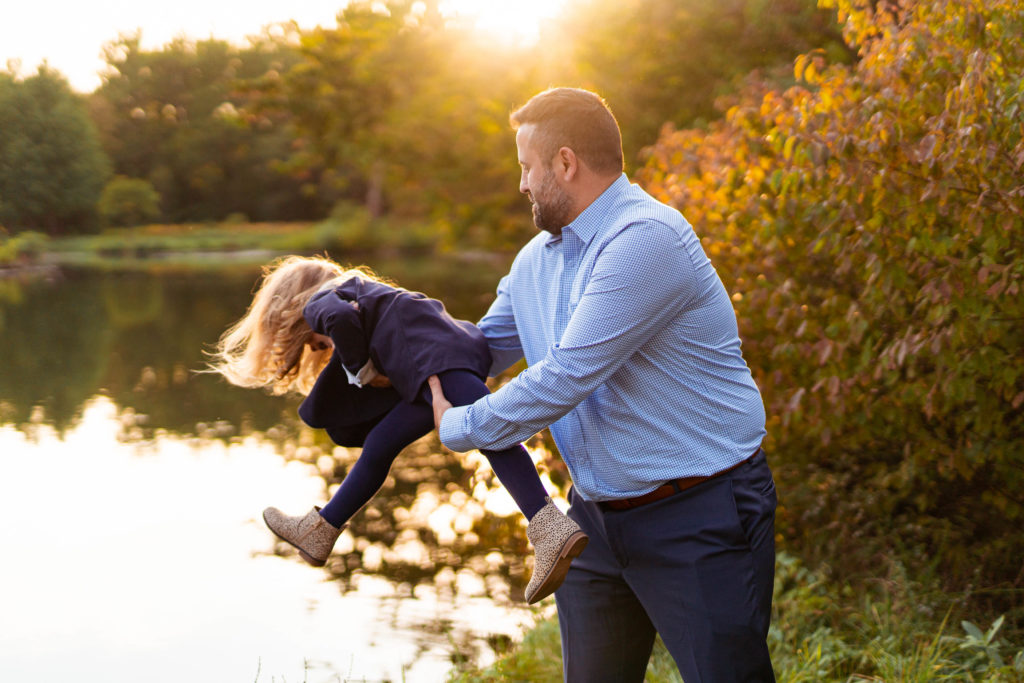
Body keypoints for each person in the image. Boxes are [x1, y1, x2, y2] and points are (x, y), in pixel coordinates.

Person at [428, 87, 777, 681]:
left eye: (525, 168)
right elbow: (477, 350)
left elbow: (566, 376)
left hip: (698, 514)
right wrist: (391, 341)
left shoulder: (646, 238)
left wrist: (456, 425)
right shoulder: (534, 260)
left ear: (565, 163)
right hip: (593, 521)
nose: (521, 186)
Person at [207, 255, 588, 604]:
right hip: (446, 357)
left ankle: (548, 525)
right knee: (381, 443)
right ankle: (320, 529)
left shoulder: (323, 301)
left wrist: (362, 372)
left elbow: (339, 323)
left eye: (312, 342)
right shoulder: (365, 295)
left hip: (439, 359)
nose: (317, 347)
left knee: (493, 434)